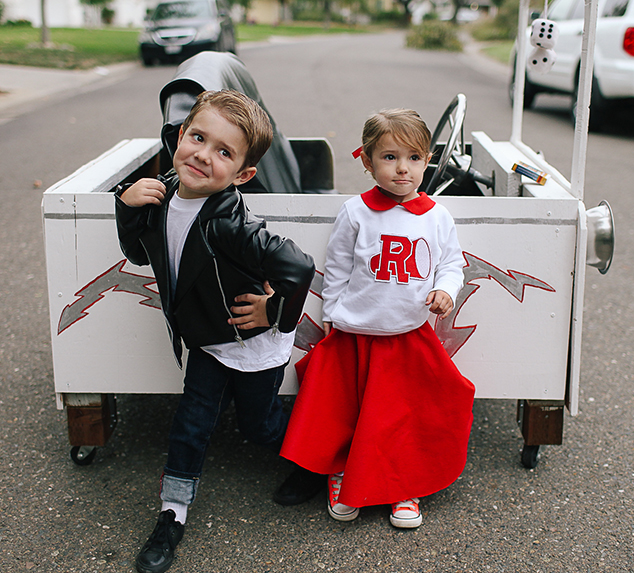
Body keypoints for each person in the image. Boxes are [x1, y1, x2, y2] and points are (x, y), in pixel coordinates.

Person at [115, 89, 319, 573]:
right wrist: (126, 208)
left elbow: (299, 267)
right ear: (180, 136)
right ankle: (172, 514)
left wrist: (276, 314)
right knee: (191, 424)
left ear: (243, 174)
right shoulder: (161, 193)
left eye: (224, 152)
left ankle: (316, 460)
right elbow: (141, 256)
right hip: (209, 337)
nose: (203, 155)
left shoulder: (230, 223)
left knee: (260, 424)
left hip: (252, 344)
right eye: (198, 137)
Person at [279, 108, 476, 529]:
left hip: (407, 335)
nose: (402, 168)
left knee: (402, 417)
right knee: (348, 413)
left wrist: (446, 289)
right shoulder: (356, 212)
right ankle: (343, 474)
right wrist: (331, 313)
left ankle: (404, 483)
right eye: (389, 157)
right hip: (356, 335)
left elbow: (452, 264)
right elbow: (336, 269)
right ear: (367, 161)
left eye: (413, 157)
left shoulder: (437, 216)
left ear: (427, 160)